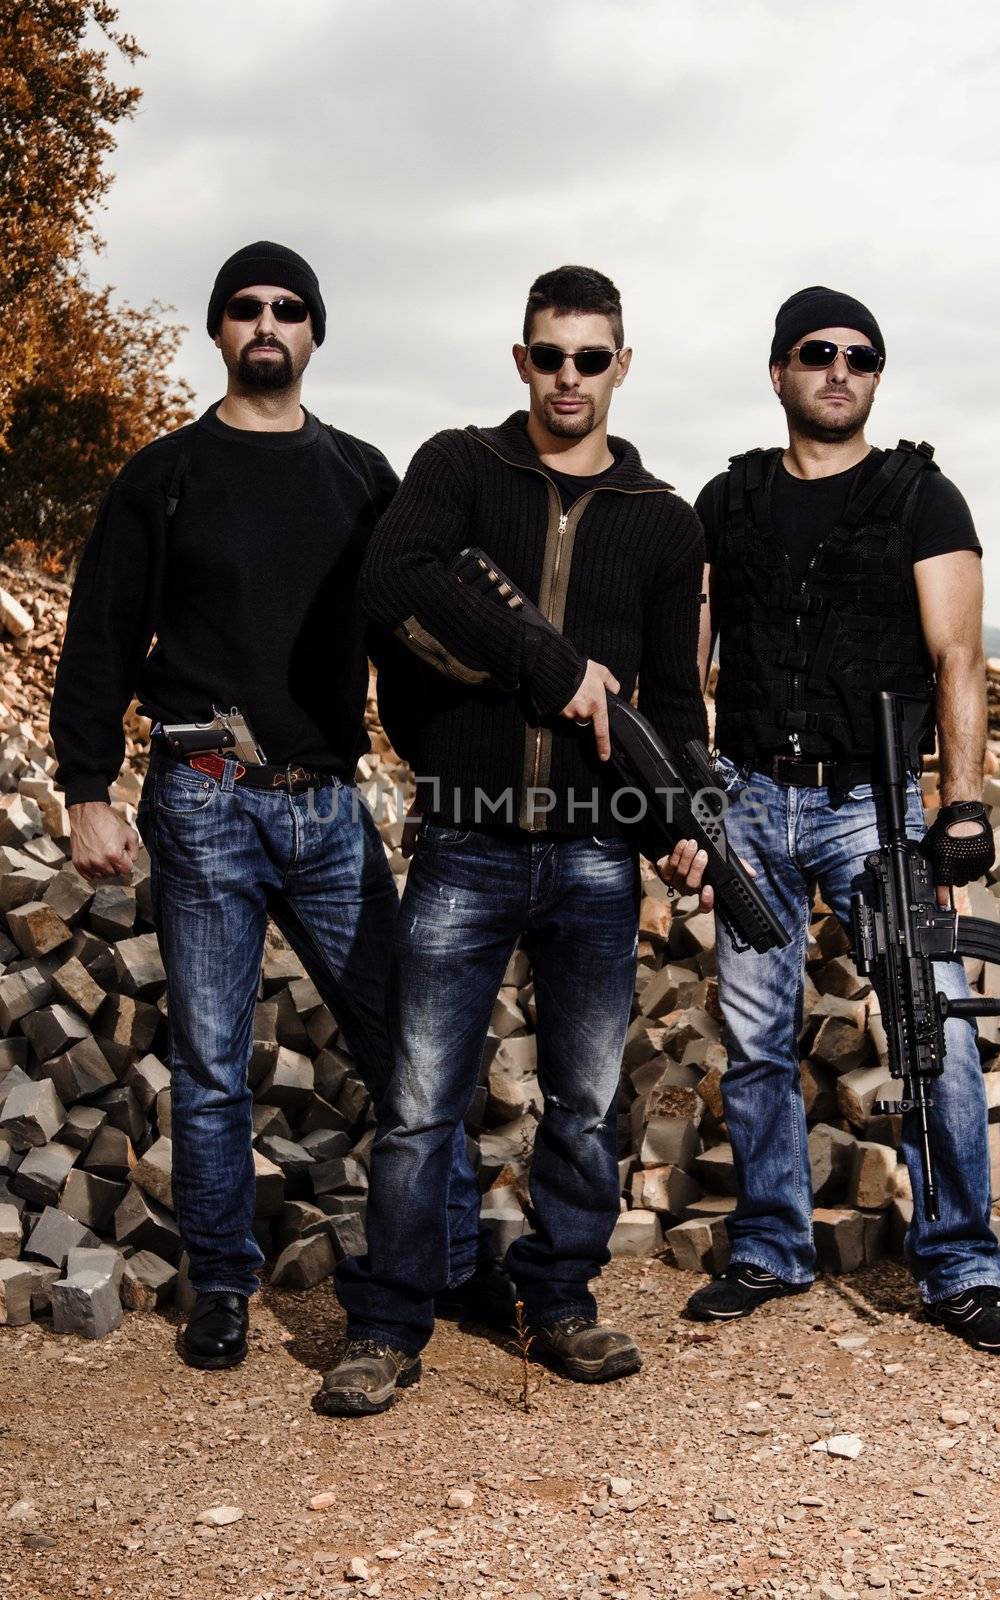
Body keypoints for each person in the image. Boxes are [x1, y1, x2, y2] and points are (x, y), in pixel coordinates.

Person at [49, 240, 482, 1371]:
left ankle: (448, 1262)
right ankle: (225, 1286)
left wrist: (456, 778)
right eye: (245, 307)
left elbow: (417, 649)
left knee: (409, 1043)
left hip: (328, 805)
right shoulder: (165, 473)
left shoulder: (363, 477)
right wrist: (87, 791)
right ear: (219, 328)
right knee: (208, 1065)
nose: (267, 323)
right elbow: (98, 639)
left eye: (288, 308)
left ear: (315, 331)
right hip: (199, 800)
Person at [313, 264, 711, 1416]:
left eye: (592, 357)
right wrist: (544, 661)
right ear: (520, 360)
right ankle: (387, 1325)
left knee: (583, 1104)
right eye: (550, 355)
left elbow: (673, 706)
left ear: (622, 366)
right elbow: (393, 581)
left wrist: (680, 818)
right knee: (420, 1099)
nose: (569, 377)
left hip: (594, 854)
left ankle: (561, 1301)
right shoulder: (455, 467)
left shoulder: (664, 521)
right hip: (466, 840)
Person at [687, 284, 1000, 1353]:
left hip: (868, 806)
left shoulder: (919, 495)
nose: (838, 369)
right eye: (815, 351)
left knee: (932, 1029)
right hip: (745, 796)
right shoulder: (727, 497)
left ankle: (959, 1265)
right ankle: (770, 1244)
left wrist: (962, 807)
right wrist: (689, 792)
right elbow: (689, 655)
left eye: (859, 356)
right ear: (778, 371)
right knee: (752, 1036)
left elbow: (957, 658)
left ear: (874, 376)